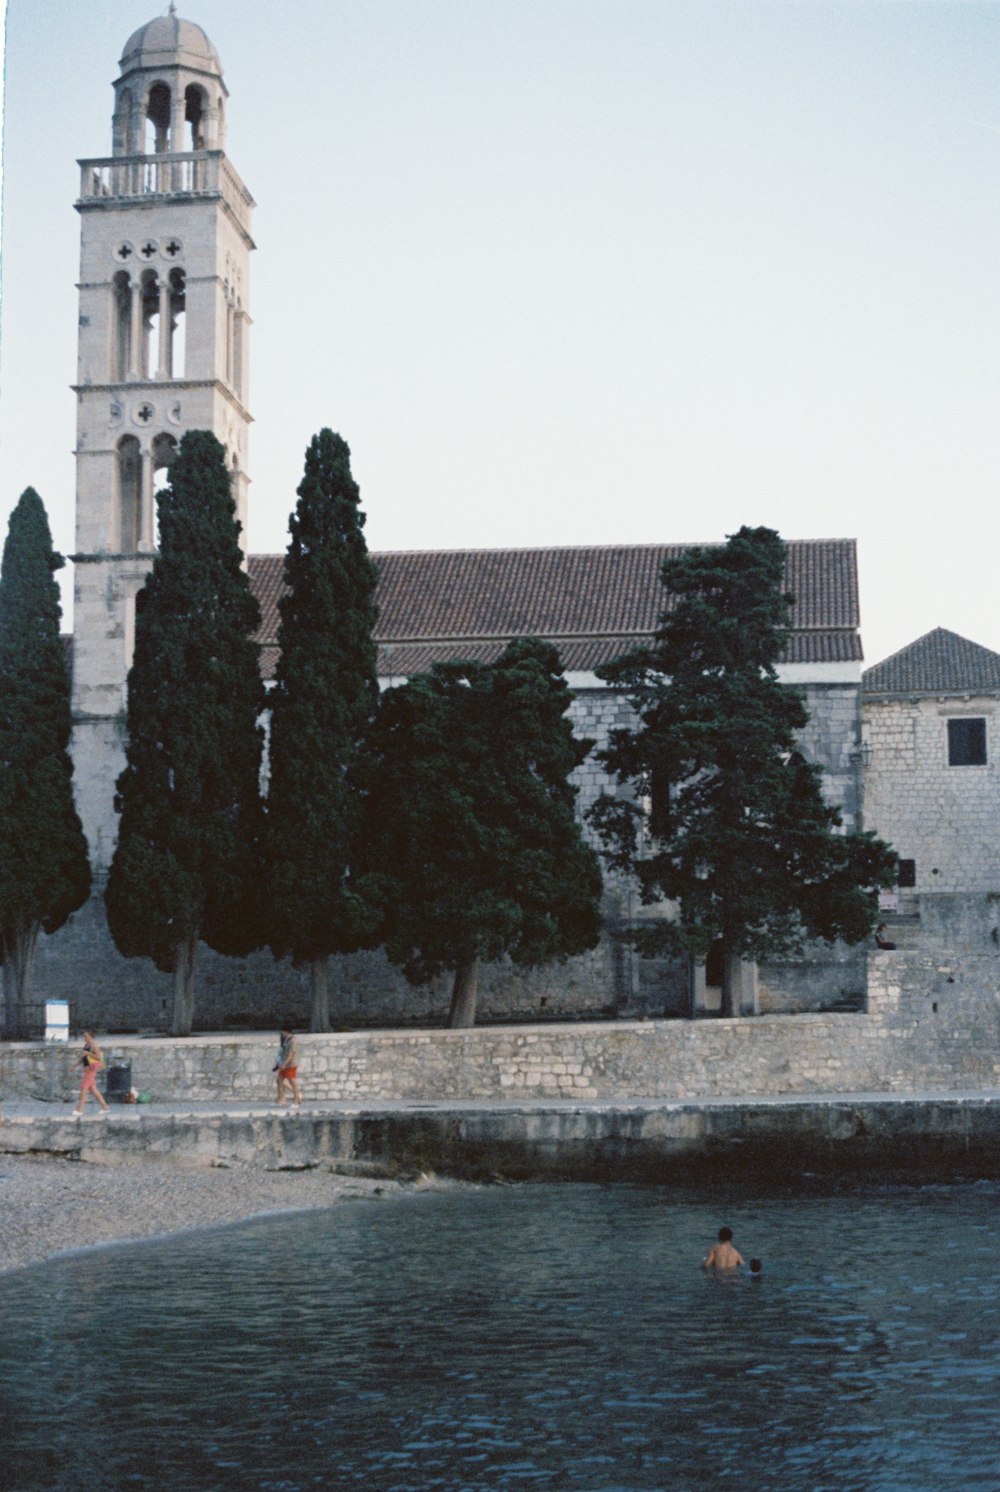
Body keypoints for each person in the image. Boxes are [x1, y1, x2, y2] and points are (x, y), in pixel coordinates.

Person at [73, 1031, 109, 1117]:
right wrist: (75, 1065)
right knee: (93, 1089)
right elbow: (83, 1057)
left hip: (91, 1069)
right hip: (87, 1069)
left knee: (83, 1088)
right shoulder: (87, 1045)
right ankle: (105, 1106)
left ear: (91, 1037)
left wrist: (88, 1053)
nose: (84, 1038)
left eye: (86, 1036)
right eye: (84, 1036)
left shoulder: (94, 1045)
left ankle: (80, 1109)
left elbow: (99, 1057)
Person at [274, 1029, 302, 1109]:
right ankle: (281, 1100)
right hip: (284, 1064)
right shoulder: (286, 1040)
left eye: (283, 1031)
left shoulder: (292, 1041)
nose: (281, 1033)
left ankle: (296, 1101)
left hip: (290, 1065)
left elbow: (290, 1054)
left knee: (293, 1083)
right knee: (279, 1080)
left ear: (287, 1031)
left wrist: (284, 1064)